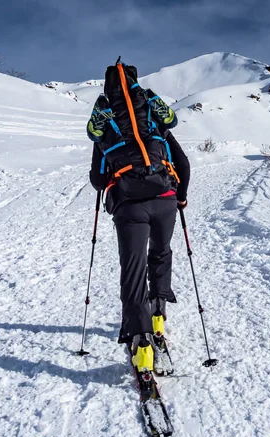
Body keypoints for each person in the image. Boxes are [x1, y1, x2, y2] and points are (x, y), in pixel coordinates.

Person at [87, 60, 190, 375]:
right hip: (165, 201)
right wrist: (180, 196)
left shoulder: (105, 125)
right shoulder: (152, 120)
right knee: (161, 253)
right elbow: (182, 162)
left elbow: (98, 179)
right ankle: (158, 314)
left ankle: (141, 343)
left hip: (129, 207)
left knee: (132, 271)